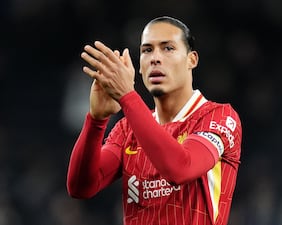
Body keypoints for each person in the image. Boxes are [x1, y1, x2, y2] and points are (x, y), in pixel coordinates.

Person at [66, 16, 242, 225]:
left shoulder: (218, 116)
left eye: (168, 48)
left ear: (191, 60)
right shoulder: (127, 129)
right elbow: (80, 187)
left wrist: (127, 96)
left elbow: (180, 169)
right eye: (147, 50)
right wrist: (96, 121)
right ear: (139, 66)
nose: (155, 58)